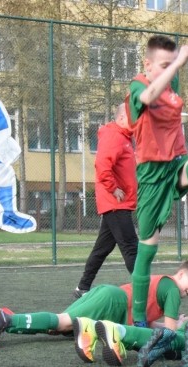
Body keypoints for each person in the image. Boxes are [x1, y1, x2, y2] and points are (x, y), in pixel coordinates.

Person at [127, 35, 188, 329]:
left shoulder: (172, 84)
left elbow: (167, 90)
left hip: (175, 163)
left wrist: (177, 66)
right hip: (150, 176)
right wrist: (179, 63)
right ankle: (139, 319)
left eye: (172, 65)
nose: (169, 70)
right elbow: (148, 97)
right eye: (163, 65)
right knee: (148, 249)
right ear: (147, 64)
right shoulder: (137, 86)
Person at [0, 261, 188, 366]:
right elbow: (170, 334)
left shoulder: (164, 285)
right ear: (182, 274)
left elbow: (149, 326)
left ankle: (3, 320)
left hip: (109, 296)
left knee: (58, 326)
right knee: (63, 322)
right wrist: (179, 323)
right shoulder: (173, 290)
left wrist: (172, 322)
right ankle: (7, 318)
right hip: (112, 301)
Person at [74, 103, 139, 299]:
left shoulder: (124, 138)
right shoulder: (114, 136)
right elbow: (102, 165)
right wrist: (114, 188)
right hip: (115, 203)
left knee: (102, 248)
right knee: (130, 246)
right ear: (120, 118)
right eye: (131, 116)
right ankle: (144, 288)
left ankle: (82, 287)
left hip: (118, 202)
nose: (135, 120)